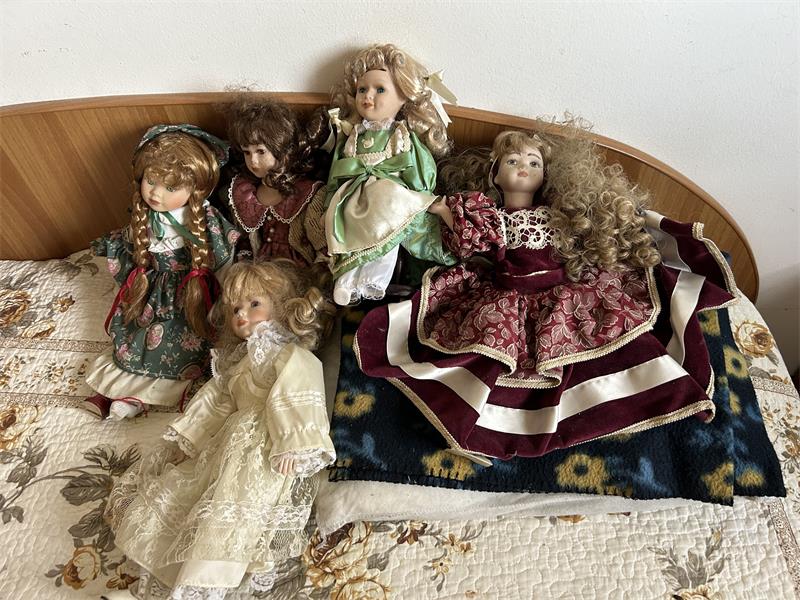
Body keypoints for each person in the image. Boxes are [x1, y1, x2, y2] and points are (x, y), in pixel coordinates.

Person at [355, 129, 737, 461]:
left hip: (565, 291)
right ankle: (501, 420)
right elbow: (466, 243)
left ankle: (644, 393)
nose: (524, 167)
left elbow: (594, 234)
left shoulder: (558, 213)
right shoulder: (489, 216)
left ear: (546, 175)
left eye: (534, 162)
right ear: (494, 173)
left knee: (604, 334)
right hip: (509, 294)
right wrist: (441, 210)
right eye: (513, 161)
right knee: (493, 352)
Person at [104, 260, 336, 599]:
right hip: (227, 444)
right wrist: (190, 440)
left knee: (232, 510)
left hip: (262, 445)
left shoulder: (289, 355)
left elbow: (300, 388)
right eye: (235, 309)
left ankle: (201, 586)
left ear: (282, 304)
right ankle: (155, 583)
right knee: (189, 499)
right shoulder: (236, 364)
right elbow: (216, 404)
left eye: (254, 303)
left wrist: (292, 442)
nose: (242, 315)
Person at [83, 124, 239, 420]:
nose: (155, 193)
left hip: (188, 295)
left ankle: (141, 399)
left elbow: (222, 257)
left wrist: (224, 297)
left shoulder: (204, 219)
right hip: (152, 292)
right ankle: (116, 392)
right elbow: (130, 248)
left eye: (170, 187)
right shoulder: (144, 216)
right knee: (132, 340)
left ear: (195, 190)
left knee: (179, 347)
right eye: (151, 180)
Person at [320, 42, 457, 305]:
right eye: (362, 89)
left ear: (403, 96)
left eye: (379, 89)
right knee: (345, 232)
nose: (368, 96)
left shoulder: (400, 134)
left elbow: (418, 166)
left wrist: (419, 193)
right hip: (355, 194)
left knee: (389, 230)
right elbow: (338, 169)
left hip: (388, 197)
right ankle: (346, 282)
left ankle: (375, 280)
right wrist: (331, 199)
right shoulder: (353, 135)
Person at [220, 94, 323, 265]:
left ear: (280, 149)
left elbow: (319, 241)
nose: (253, 161)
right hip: (259, 267)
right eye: (247, 152)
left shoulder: (306, 193)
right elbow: (244, 242)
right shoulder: (244, 192)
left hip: (296, 268)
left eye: (260, 151)